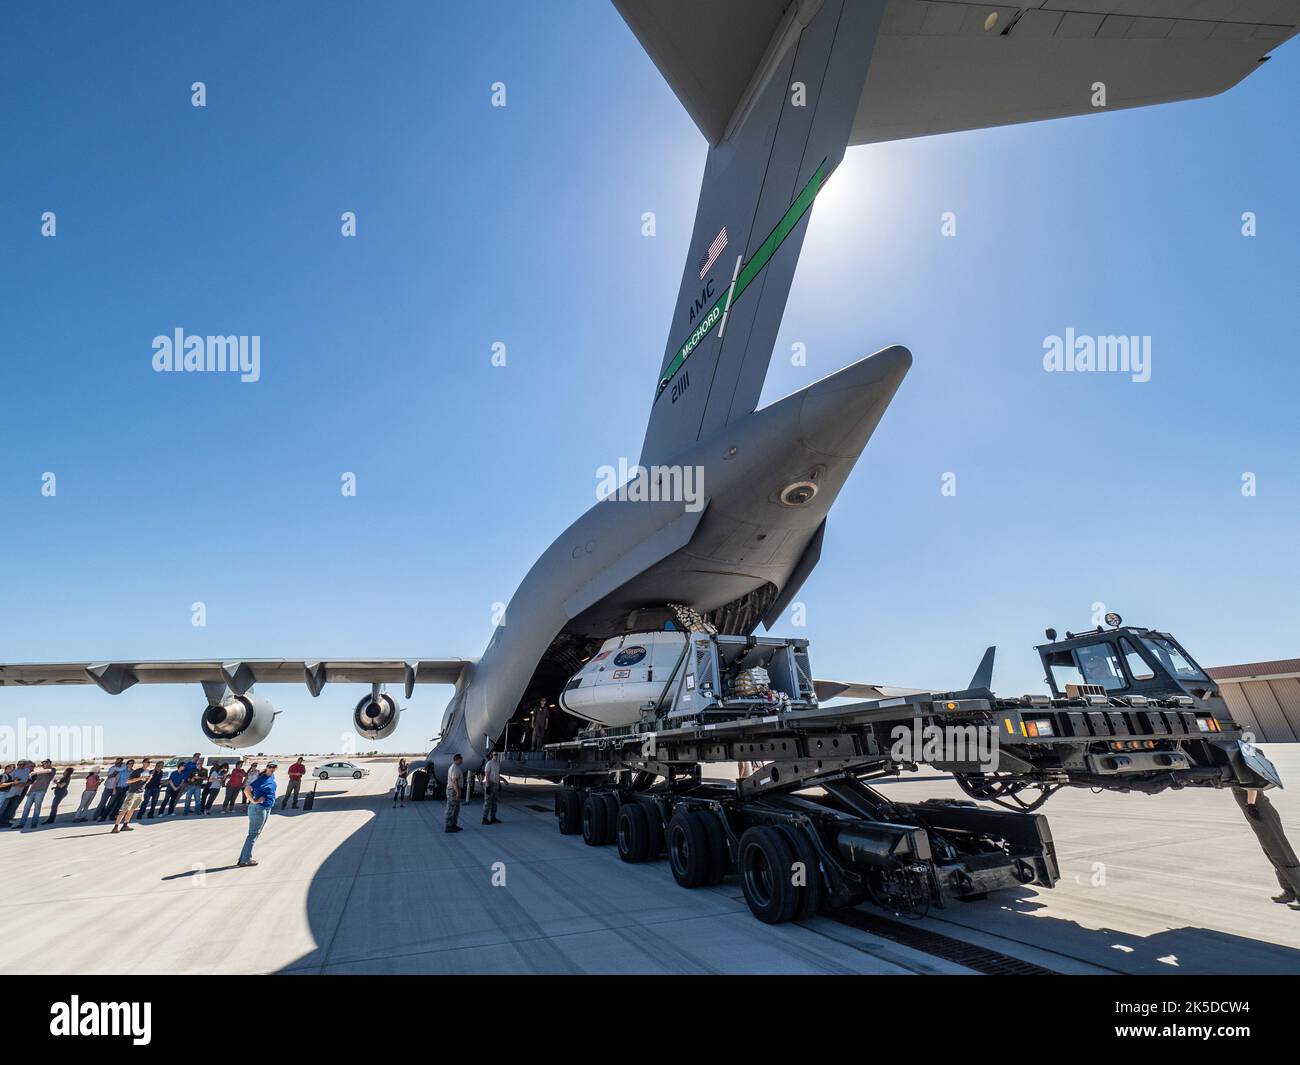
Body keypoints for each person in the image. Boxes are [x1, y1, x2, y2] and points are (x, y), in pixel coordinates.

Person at [1234, 788, 1300, 909]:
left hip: (1261, 813)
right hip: (1256, 815)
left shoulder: (1242, 768)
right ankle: (1289, 890)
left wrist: (1251, 804)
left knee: (1281, 852)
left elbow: (1252, 782)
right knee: (1271, 853)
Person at [238, 761, 278, 867]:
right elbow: (247, 789)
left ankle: (243, 858)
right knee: (253, 834)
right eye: (270, 766)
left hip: (266, 808)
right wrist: (254, 800)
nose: (272, 768)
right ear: (267, 767)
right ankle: (245, 860)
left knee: (255, 834)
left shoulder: (271, 777)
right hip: (258, 809)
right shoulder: (262, 778)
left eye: (274, 767)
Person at [112, 759, 149, 833]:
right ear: (143, 763)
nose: (147, 763)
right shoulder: (137, 771)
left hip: (140, 793)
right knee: (124, 810)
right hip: (133, 793)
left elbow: (144, 782)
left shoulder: (147, 772)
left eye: (148, 762)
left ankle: (125, 825)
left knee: (132, 810)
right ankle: (115, 827)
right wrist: (139, 778)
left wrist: (148, 779)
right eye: (146, 762)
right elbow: (128, 781)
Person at [15, 759, 54, 829]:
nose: (42, 766)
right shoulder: (39, 772)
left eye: (43, 764)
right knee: (26, 808)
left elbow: (48, 770)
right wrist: (29, 791)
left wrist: (35, 772)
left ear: (48, 763)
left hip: (41, 791)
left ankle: (34, 823)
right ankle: (21, 824)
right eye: (41, 765)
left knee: (37, 808)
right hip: (32, 791)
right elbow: (34, 782)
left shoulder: (52, 770)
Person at [444, 754, 464, 833]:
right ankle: (448, 826)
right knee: (451, 808)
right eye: (461, 759)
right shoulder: (454, 768)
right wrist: (458, 792)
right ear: (458, 759)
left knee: (456, 809)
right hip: (453, 790)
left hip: (455, 790)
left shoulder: (456, 767)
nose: (462, 760)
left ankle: (453, 825)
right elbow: (455, 781)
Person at [481, 749, 502, 824]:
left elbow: (497, 774)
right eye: (494, 754)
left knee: (494, 802)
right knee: (487, 802)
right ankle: (484, 819)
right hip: (490, 783)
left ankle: (493, 818)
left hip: (495, 784)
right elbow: (486, 774)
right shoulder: (489, 763)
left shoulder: (497, 764)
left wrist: (499, 783)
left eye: (496, 754)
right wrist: (487, 785)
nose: (496, 756)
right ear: (491, 755)